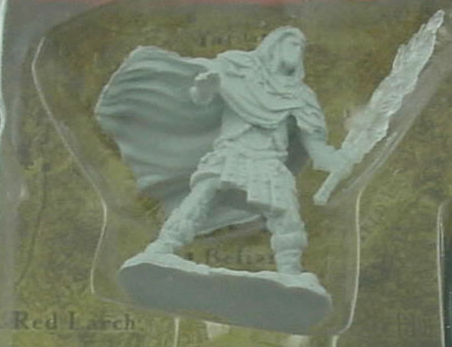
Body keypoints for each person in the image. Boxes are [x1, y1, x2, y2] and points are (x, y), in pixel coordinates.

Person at [142, 27, 346, 275]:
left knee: (286, 218)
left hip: (269, 161)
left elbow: (314, 144)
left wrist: (335, 159)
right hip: (233, 152)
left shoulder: (300, 94)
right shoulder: (240, 70)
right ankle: (164, 247)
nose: (298, 51)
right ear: (275, 46)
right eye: (293, 44)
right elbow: (201, 97)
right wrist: (204, 88)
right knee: (199, 199)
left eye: (301, 47)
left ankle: (290, 272)